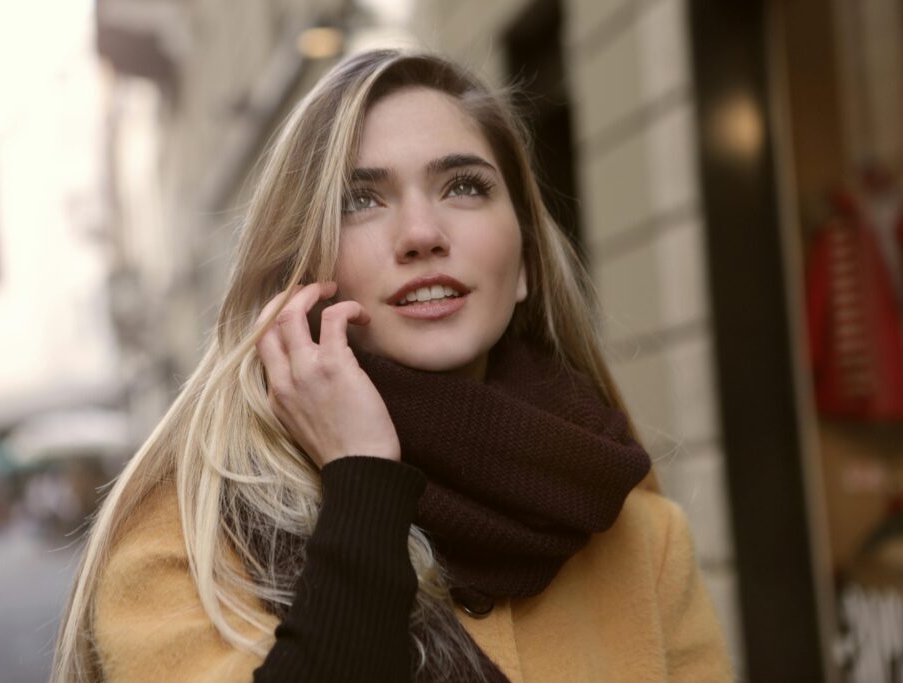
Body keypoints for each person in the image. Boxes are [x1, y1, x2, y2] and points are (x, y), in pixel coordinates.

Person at [52, 49, 733, 682]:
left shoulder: (643, 538)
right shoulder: (187, 550)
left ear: (523, 261)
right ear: (302, 271)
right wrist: (364, 483)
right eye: (361, 200)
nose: (421, 234)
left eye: (464, 186)